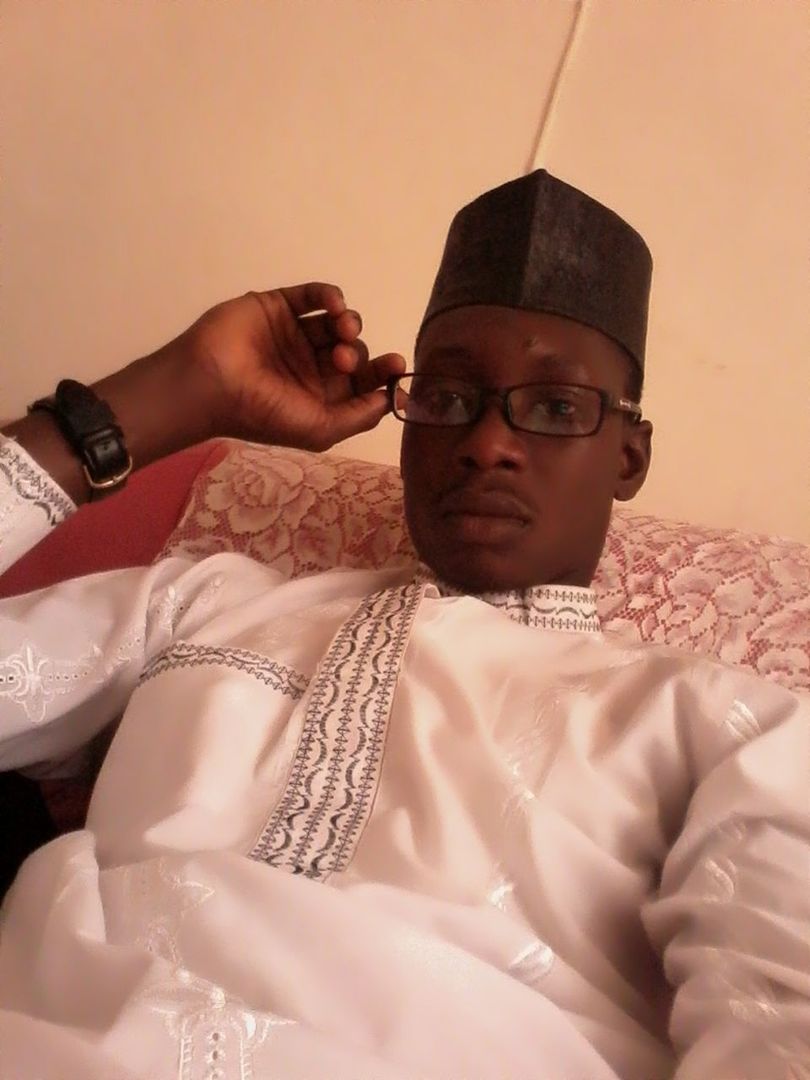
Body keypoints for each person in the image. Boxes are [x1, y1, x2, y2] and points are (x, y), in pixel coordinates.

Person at [0, 170, 807, 1079]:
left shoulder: (723, 724)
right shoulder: (204, 601)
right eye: (450, 397)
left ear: (630, 455)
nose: (486, 442)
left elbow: (778, 1019)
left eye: (553, 407)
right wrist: (174, 393)